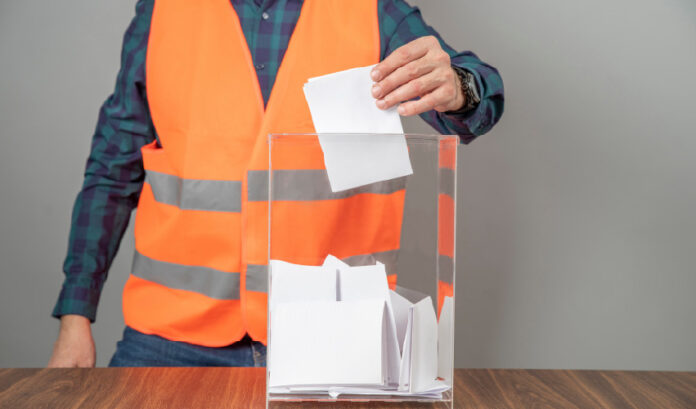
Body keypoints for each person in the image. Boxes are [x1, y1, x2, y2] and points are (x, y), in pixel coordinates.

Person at [47, 0, 504, 368]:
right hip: (170, 342)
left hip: (336, 337)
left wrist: (460, 86)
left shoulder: (372, 10)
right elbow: (112, 168)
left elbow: (474, 90)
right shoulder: (161, 11)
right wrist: (75, 316)